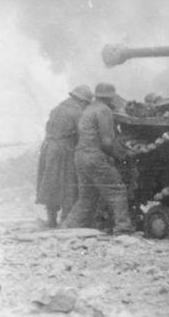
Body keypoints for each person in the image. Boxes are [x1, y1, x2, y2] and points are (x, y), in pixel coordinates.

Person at [61, 83, 135, 234]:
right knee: (117, 191)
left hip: (80, 156)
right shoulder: (104, 110)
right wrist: (123, 155)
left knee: (87, 197)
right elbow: (107, 141)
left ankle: (69, 227)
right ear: (110, 97)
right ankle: (123, 228)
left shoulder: (89, 109)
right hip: (94, 156)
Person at [35, 85, 93, 227]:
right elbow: (82, 135)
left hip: (49, 148)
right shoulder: (77, 112)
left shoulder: (58, 108)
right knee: (68, 184)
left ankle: (51, 219)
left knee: (51, 183)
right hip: (64, 150)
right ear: (82, 101)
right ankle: (66, 220)